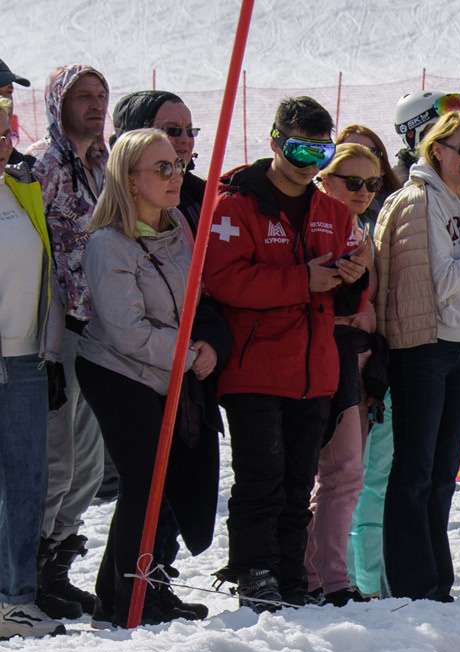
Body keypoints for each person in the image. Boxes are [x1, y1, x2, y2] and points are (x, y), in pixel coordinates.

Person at [203, 96, 368, 610]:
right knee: (261, 478)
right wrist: (304, 280)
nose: (308, 163)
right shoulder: (235, 204)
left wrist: (349, 280)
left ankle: (293, 578)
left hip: (314, 368)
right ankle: (255, 573)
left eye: (321, 152)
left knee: (300, 483)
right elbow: (223, 279)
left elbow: (347, 295)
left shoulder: (333, 210)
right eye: (298, 148)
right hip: (255, 367)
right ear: (275, 141)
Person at [75, 128, 225, 624]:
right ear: (130, 181)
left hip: (169, 370)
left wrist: (208, 345)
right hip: (120, 372)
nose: (175, 175)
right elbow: (129, 334)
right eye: (162, 168)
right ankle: (130, 599)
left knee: (169, 482)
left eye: (178, 165)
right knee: (145, 481)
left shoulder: (180, 223)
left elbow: (196, 298)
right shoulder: (107, 244)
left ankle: (138, 588)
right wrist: (188, 357)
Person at [373, 108, 460, 602]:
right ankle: (411, 586)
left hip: (459, 346)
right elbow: (436, 286)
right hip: (423, 346)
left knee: (441, 474)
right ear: (436, 150)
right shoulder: (417, 202)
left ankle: (435, 583)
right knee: (413, 472)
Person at [25, 64, 109, 622]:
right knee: (57, 460)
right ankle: (27, 572)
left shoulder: (103, 163)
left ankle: (59, 562)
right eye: (83, 96)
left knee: (91, 464)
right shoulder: (44, 164)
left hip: (100, 325)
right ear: (59, 102)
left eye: (102, 96)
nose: (96, 105)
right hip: (55, 330)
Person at [0, 80, 66, 638]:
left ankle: (15, 600)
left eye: (5, 134)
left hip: (24, 359)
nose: (4, 145)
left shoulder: (20, 188)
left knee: (25, 483)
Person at [304, 141, 384, 604]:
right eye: (351, 182)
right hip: (313, 355)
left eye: (371, 183)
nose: (363, 192)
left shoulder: (359, 230)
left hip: (355, 357)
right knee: (321, 472)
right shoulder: (314, 223)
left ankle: (331, 577)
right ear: (323, 179)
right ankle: (314, 576)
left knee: (349, 473)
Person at [110, 91, 204, 226]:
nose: (185, 139)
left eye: (190, 131)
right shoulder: (105, 207)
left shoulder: (198, 195)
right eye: (172, 130)